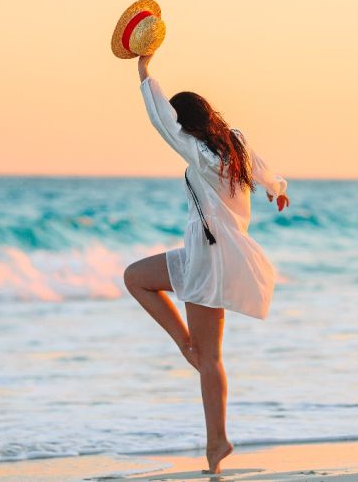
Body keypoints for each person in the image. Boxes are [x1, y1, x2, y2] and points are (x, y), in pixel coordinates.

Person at [123, 52, 290, 475]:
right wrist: (276, 190)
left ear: (188, 122)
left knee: (211, 358)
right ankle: (187, 347)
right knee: (136, 277)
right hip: (219, 252)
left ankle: (217, 440)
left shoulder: (198, 151)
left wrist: (144, 71)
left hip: (207, 255)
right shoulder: (235, 140)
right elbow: (265, 170)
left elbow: (162, 120)